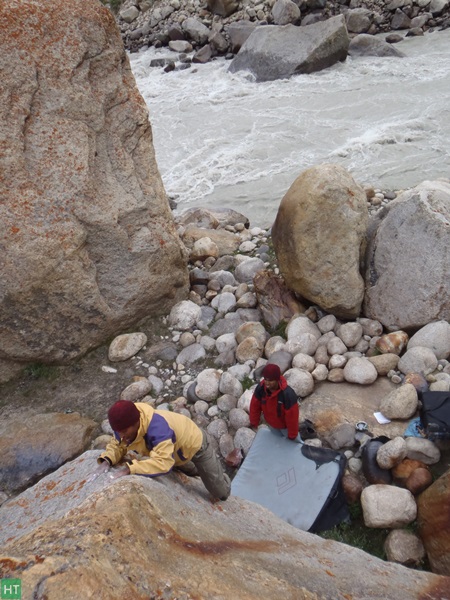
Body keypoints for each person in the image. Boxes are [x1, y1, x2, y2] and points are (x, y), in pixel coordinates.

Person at [91, 400, 231, 501]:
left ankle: (222, 477)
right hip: (174, 451)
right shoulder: (124, 426)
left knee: (220, 493)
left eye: (124, 431)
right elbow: (117, 445)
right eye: (118, 431)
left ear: (136, 423)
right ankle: (204, 471)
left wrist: (129, 469)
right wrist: (107, 460)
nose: (121, 435)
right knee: (192, 471)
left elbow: (164, 463)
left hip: (196, 444)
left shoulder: (158, 429)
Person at [249, 363, 301, 441]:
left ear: (277, 379)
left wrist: (292, 435)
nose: (267, 382)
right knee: (278, 442)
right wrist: (254, 422)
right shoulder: (261, 389)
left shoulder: (287, 395)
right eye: (265, 379)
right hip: (272, 426)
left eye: (270, 380)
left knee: (295, 444)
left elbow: (292, 417)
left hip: (285, 428)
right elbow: (254, 406)